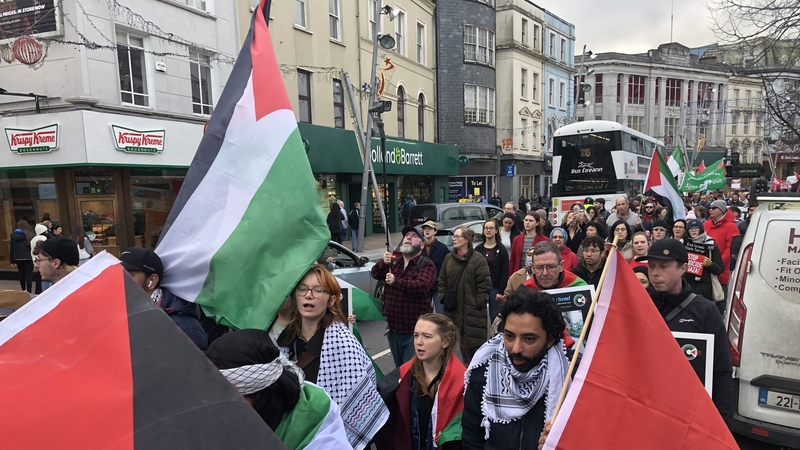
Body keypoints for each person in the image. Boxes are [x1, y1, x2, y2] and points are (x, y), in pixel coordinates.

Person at [277, 266, 389, 449]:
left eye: (318, 290)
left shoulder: (343, 343)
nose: (309, 295)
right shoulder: (283, 340)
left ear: (332, 300)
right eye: (303, 289)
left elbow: (351, 405)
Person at [639, 239, 734, 425]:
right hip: (647, 413)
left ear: (683, 268)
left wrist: (723, 427)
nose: (655, 273)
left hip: (687, 414)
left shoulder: (705, 311)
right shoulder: (639, 305)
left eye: (664, 266)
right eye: (651, 266)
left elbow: (721, 372)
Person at [207, 329, 351, 449]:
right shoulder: (216, 423)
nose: (223, 408)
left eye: (233, 397)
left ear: (260, 391)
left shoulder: (316, 412)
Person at [462, 288, 570, 449]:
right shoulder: (483, 373)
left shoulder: (570, 380)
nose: (515, 348)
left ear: (550, 340)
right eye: (509, 336)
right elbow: (472, 438)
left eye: (529, 339)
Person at [377, 314, 466, 450]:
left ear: (445, 342)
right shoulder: (404, 376)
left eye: (427, 336)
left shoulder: (462, 382)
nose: (419, 342)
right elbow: (387, 425)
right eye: (416, 335)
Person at [371, 227, 438, 367]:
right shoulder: (395, 263)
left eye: (414, 236)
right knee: (400, 372)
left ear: (421, 245)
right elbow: (375, 274)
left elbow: (422, 286)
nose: (408, 237)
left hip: (415, 333)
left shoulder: (426, 264)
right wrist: (383, 262)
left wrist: (396, 282)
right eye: (406, 235)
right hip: (394, 331)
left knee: (411, 374)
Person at [120, 247, 208, 350]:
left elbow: (197, 364)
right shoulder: (119, 314)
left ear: (152, 280)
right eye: (118, 274)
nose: (121, 280)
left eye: (128, 275)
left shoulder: (185, 327)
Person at [438, 226, 491, 363]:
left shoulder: (478, 259)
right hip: (453, 311)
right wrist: (443, 297)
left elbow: (485, 284)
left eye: (457, 236)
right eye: (453, 236)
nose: (453, 239)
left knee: (474, 352)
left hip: (472, 313)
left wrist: (478, 303)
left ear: (466, 240)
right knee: (455, 348)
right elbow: (442, 280)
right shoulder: (448, 258)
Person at [703, 200, 739, 301]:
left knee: (719, 299)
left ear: (722, 210)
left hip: (720, 269)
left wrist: (717, 264)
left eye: (714, 208)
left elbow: (730, 248)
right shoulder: (706, 224)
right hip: (704, 267)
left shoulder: (731, 226)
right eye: (710, 208)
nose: (711, 210)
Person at [475, 219, 510, 324]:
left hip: (495, 287)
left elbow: (505, 271)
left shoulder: (501, 249)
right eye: (486, 228)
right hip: (480, 287)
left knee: (495, 316)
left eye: (491, 228)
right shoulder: (478, 249)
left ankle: (495, 337)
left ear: (496, 231)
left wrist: (501, 291)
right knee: (479, 315)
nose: (488, 230)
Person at [685, 219, 724, 304]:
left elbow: (720, 269)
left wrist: (710, 264)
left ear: (701, 229)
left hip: (704, 290)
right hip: (685, 286)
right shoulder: (683, 244)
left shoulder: (710, 245)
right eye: (691, 228)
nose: (694, 230)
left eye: (696, 228)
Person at [523, 242, 587, 291]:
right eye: (539, 267)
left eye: (551, 267)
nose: (545, 273)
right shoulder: (525, 290)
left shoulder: (579, 287)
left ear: (561, 266)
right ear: (532, 268)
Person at [421, 220, 450, 314]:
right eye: (425, 228)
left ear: (435, 231)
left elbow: (447, 268)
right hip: (423, 285)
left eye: (430, 228)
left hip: (438, 286)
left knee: (440, 313)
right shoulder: (419, 248)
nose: (427, 230)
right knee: (423, 313)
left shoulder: (442, 248)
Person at [10, 220, 35, 294]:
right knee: (29, 275)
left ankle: (23, 290)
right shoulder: (30, 234)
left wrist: (12, 260)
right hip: (28, 257)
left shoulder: (14, 236)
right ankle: (29, 292)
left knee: (22, 275)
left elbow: (12, 248)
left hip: (18, 257)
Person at [30, 223, 48, 294]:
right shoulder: (43, 238)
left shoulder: (33, 239)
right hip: (42, 259)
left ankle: (38, 290)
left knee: (38, 276)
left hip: (35, 259)